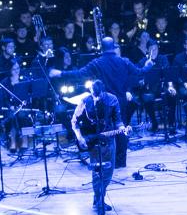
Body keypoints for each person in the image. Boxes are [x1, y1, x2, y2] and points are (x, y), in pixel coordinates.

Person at [55, 36, 141, 167]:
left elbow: (79, 73)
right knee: (121, 128)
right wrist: (149, 65)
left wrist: (61, 73)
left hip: (105, 101)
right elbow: (139, 72)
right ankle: (121, 162)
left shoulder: (97, 62)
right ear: (113, 47)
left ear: (102, 47)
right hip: (121, 100)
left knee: (104, 130)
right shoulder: (124, 61)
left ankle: (106, 160)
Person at [72, 79, 127, 215]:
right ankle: (100, 202)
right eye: (93, 95)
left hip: (108, 139)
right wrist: (80, 137)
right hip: (93, 141)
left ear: (102, 91)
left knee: (108, 171)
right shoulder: (84, 102)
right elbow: (74, 121)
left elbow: (118, 119)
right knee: (97, 173)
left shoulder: (112, 100)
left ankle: (97, 198)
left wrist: (121, 128)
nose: (95, 98)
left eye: (98, 95)